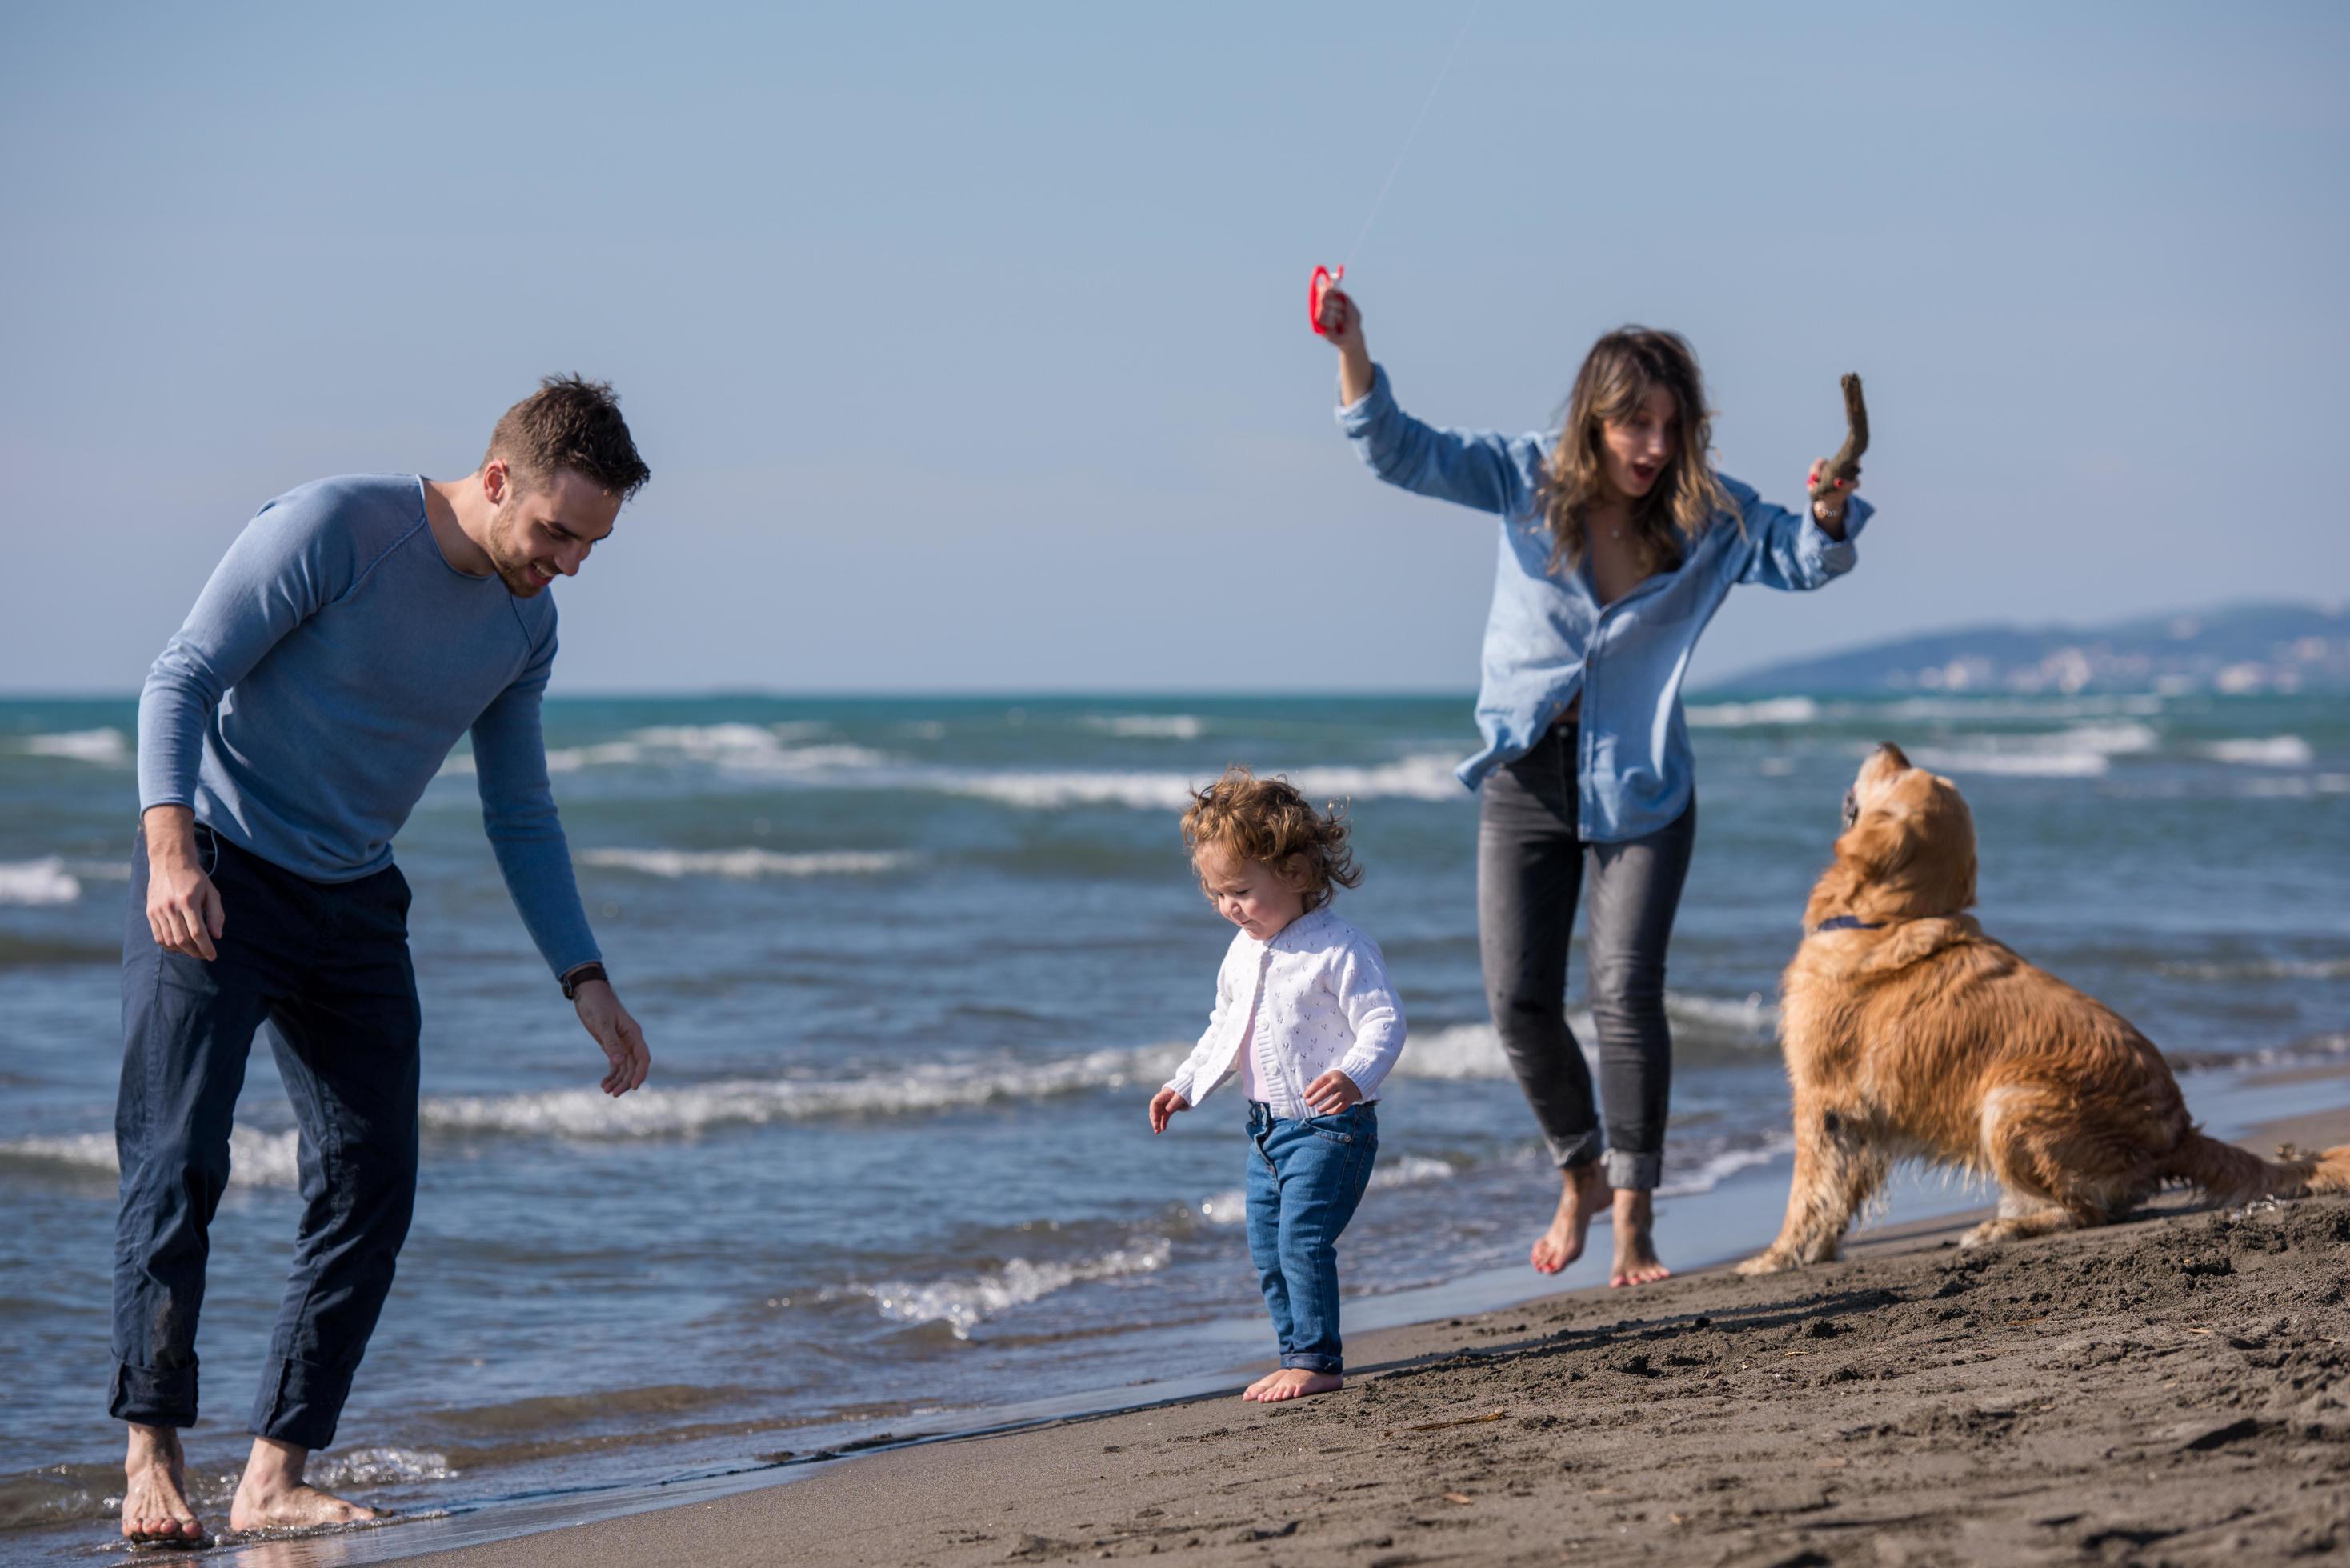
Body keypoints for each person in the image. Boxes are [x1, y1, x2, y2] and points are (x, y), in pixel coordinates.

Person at [114, 375, 655, 1546]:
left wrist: (586, 978)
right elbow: (181, 678)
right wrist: (169, 852)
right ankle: (150, 1455)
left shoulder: (526, 627)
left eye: (592, 543)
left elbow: (520, 810)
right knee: (178, 1157)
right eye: (558, 532)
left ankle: (271, 1474)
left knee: (372, 1176)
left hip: (353, 897)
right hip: (218, 865)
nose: (567, 563)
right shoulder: (336, 529)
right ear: (496, 479)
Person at [1315, 286, 1870, 1288]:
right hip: (1527, 769)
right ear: (1595, 419)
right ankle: (1580, 1173)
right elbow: (1398, 447)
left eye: (1671, 425)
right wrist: (1352, 347)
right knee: (1518, 1000)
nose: (1653, 446)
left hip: (1645, 784)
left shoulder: (1711, 513)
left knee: (1624, 991)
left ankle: (1637, 1221)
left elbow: (1802, 555)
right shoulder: (1526, 477)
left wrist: (1829, 510)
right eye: (1634, 423)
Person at [1149, 767, 1407, 1402]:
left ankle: (1317, 1362)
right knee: (1267, 1249)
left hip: (1331, 1130)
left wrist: (1354, 1073)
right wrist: (1185, 1083)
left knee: (1302, 1240)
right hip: (1265, 1133)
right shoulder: (1240, 952)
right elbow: (1224, 1027)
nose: (1228, 908)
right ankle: (1296, 1352)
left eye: (1239, 890)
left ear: (1295, 873)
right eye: (1215, 895)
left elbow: (1384, 1020)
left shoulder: (1339, 948)